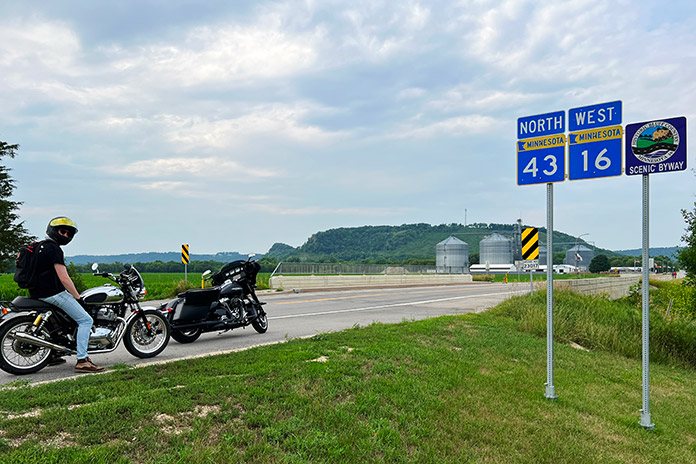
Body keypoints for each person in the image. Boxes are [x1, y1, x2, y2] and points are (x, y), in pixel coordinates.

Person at [29, 217, 104, 373]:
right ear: (53, 231)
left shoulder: (39, 246)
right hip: (52, 293)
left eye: (69, 233)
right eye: (62, 231)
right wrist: (78, 297)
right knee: (85, 320)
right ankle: (82, 360)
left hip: (37, 293)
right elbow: (64, 278)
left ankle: (55, 353)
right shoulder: (53, 248)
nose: (65, 235)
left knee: (63, 321)